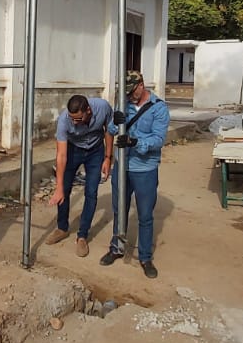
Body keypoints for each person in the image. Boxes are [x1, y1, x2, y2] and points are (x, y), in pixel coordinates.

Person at [100, 71, 169, 279]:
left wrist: (136, 142)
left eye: (132, 92)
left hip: (145, 168)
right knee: (119, 209)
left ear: (141, 85)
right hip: (123, 167)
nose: (130, 97)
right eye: (126, 94)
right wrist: (116, 121)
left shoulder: (159, 108)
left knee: (145, 215)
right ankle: (117, 248)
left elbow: (158, 139)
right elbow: (112, 129)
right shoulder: (124, 103)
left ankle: (145, 257)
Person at [47, 94, 116, 258]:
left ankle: (82, 235)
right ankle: (62, 228)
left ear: (88, 111)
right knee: (64, 189)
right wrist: (58, 188)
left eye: (78, 119)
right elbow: (61, 155)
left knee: (91, 193)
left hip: (95, 151)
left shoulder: (102, 107)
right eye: (72, 118)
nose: (74, 122)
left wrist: (108, 158)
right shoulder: (64, 120)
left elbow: (109, 130)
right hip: (73, 150)